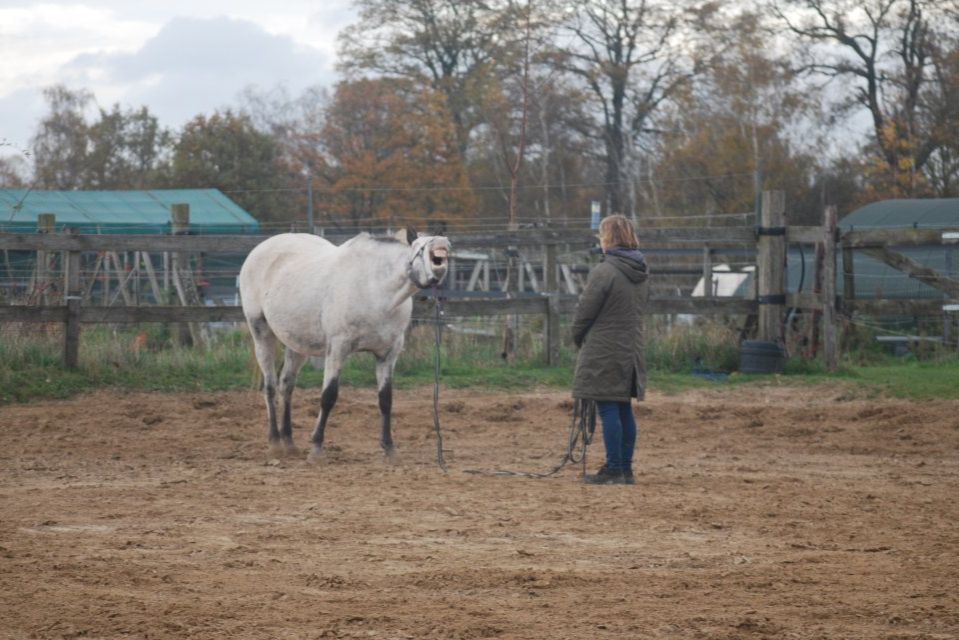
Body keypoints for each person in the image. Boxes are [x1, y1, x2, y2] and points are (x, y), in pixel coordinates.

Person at [570, 214, 648, 485]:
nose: (599, 241)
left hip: (604, 348)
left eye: (602, 235)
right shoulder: (640, 271)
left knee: (607, 408)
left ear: (610, 238)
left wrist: (577, 335)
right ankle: (625, 468)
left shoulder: (604, 271)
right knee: (623, 407)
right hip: (631, 348)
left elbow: (585, 311)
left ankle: (614, 468)